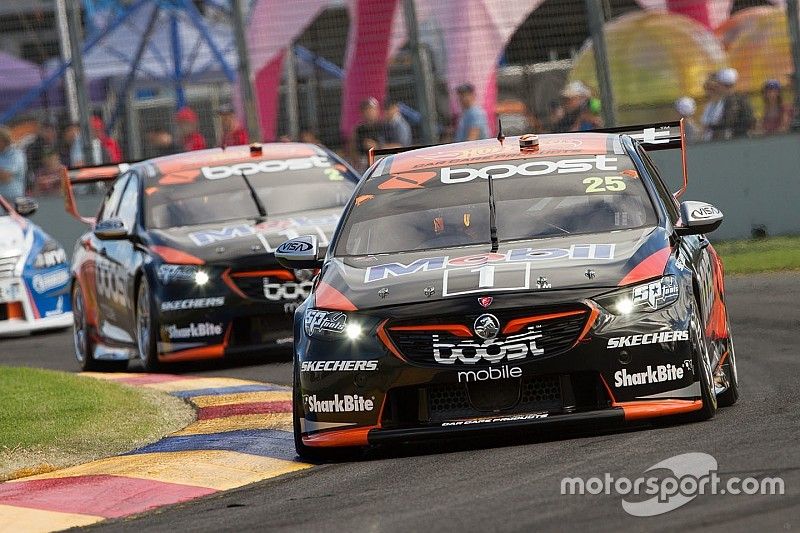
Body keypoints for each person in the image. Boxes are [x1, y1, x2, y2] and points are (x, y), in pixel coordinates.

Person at [712, 68, 755, 140]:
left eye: (719, 84)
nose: (717, 86)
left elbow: (729, 120)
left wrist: (713, 127)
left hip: (740, 138)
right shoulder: (736, 98)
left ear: (723, 85)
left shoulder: (733, 99)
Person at [350, 97, 385, 168]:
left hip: (382, 160)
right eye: (366, 110)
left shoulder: (385, 126)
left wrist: (377, 146)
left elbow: (397, 145)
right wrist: (356, 160)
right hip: (363, 163)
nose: (369, 112)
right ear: (362, 112)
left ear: (377, 110)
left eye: (371, 109)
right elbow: (352, 148)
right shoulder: (358, 129)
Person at [0, 126, 27, 200]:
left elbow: (6, 177)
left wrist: (2, 174)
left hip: (13, 200)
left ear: (3, 140)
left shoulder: (16, 154)